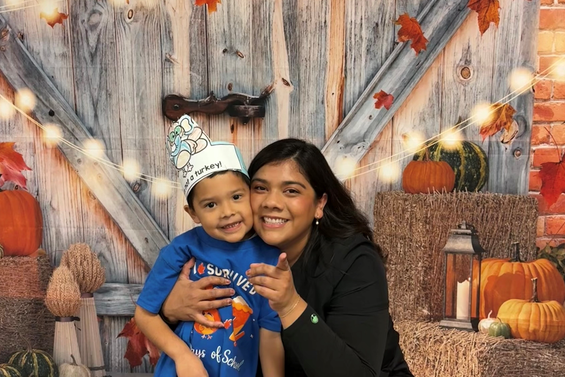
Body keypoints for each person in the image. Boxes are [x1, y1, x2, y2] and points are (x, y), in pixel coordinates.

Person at [159, 138, 414, 377]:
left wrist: (290, 305)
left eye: (291, 191)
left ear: (319, 204)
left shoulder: (356, 262)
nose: (271, 202)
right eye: (260, 188)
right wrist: (171, 310)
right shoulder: (225, 249)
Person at [134, 115, 285, 377]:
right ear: (193, 213)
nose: (227, 212)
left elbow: (270, 336)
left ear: (251, 194)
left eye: (236, 197)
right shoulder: (182, 250)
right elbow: (144, 315)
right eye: (211, 204)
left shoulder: (269, 259)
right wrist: (182, 356)